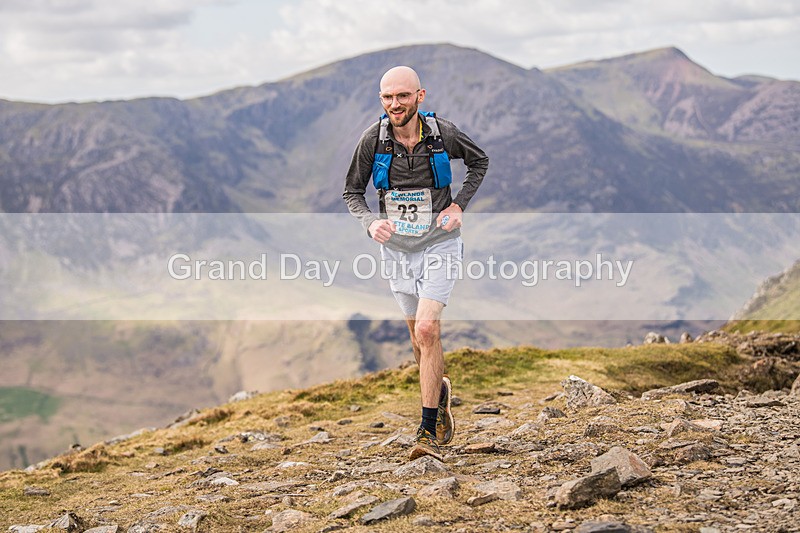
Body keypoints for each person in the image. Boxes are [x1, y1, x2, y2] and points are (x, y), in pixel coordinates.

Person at [343, 66, 489, 461]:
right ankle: (438, 394)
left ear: (419, 97)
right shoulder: (372, 140)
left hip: (440, 243)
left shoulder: (443, 133)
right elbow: (352, 191)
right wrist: (370, 222)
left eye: (403, 96)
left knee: (427, 330)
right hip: (397, 252)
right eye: (387, 97)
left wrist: (459, 205)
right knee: (417, 341)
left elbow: (480, 163)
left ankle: (427, 431)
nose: (395, 104)